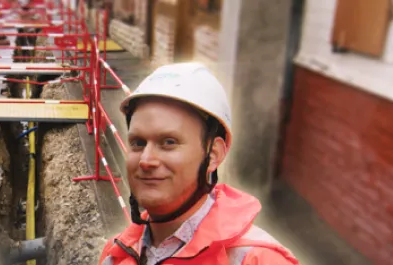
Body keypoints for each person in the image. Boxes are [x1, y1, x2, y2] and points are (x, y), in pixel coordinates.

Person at [98, 62, 300, 265]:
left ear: (212, 155)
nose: (146, 160)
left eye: (169, 142)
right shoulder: (115, 254)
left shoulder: (260, 260)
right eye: (138, 143)